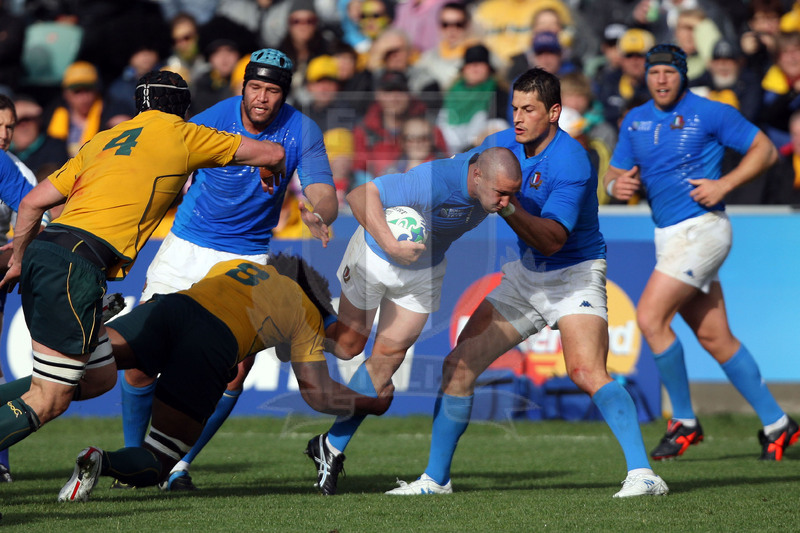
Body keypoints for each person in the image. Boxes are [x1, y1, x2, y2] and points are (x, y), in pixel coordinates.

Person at [384, 67, 669, 499]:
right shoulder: (500, 145)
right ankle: (435, 481)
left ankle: (644, 475)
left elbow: (554, 241)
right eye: (514, 108)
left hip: (574, 273)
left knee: (586, 371)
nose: (517, 118)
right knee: (457, 366)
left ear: (554, 112)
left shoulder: (572, 161)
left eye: (529, 109)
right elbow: (456, 175)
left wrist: (509, 208)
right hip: (526, 277)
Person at [0, 69, 287, 459]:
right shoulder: (183, 134)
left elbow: (33, 203)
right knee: (49, 399)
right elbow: (274, 152)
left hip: (44, 253)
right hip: (77, 265)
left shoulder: (101, 140)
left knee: (97, 376)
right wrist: (270, 168)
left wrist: (18, 260)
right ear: (183, 109)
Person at [118, 48, 338, 491]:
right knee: (140, 358)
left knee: (234, 368)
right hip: (186, 246)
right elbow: (169, 175)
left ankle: (175, 464)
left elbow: (324, 193)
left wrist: (319, 211)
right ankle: (134, 460)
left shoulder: (302, 130)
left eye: (272, 90)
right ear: (242, 88)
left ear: (284, 94)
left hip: (247, 255)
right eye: (255, 87)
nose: (262, 98)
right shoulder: (211, 120)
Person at [55, 253, 393, 502]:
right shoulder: (304, 312)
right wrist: (373, 404)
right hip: (207, 349)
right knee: (159, 460)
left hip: (171, 309)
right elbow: (318, 395)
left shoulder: (234, 267)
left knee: (61, 380)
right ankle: (101, 461)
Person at [603, 44, 798, 462]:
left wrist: (724, 186)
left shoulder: (709, 112)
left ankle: (685, 422)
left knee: (650, 318)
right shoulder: (634, 121)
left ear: (682, 75)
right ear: (646, 77)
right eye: (654, 72)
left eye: (669, 72)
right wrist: (612, 187)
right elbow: (614, 174)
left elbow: (763, 149)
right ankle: (779, 423)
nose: (660, 79)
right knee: (715, 337)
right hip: (669, 236)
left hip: (704, 229)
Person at [304, 146, 523, 495]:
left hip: (424, 271)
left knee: (384, 364)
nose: (507, 202)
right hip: (378, 256)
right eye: (501, 193)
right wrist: (391, 245)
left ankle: (329, 448)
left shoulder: (494, 176)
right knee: (347, 348)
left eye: (512, 193)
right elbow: (361, 194)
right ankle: (299, 317)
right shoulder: (435, 180)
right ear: (477, 176)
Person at [0, 94, 43, 483]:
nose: (3, 134)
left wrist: (11, 259)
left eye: (9, 126)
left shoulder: (18, 174)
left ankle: (1, 463)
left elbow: (34, 229)